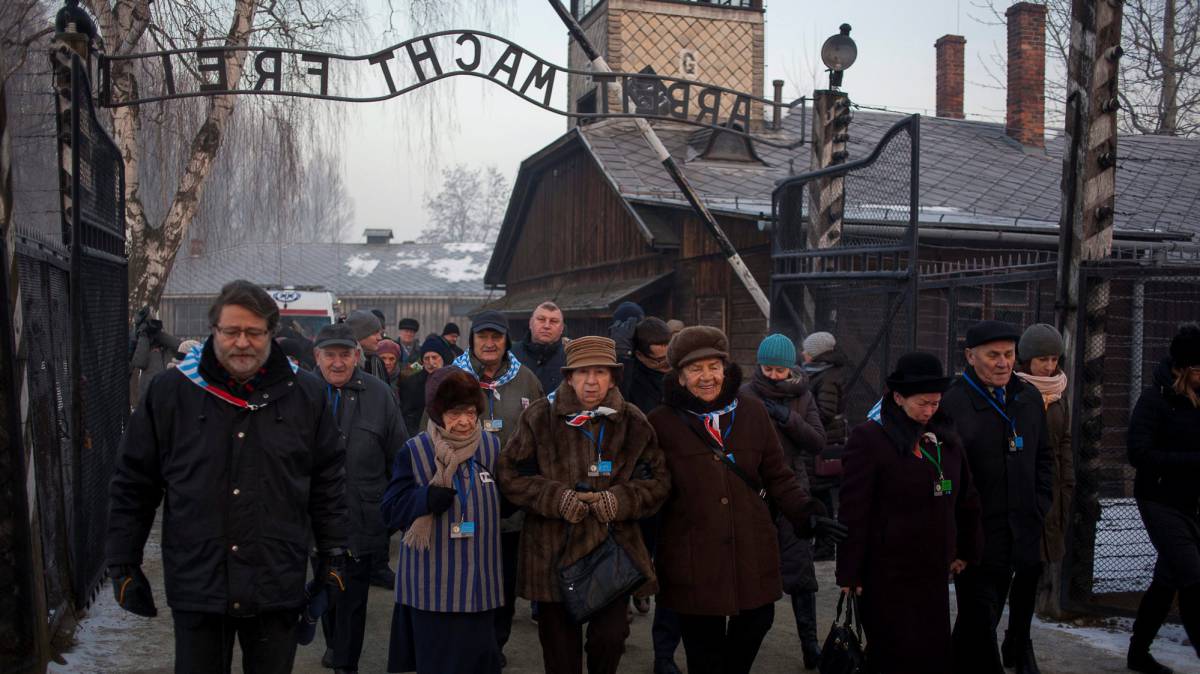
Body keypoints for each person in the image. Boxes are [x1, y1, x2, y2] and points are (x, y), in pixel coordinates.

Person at [106, 280, 349, 673]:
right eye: (231, 331)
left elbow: (328, 480)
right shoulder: (171, 393)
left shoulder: (306, 394)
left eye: (254, 332)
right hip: (199, 579)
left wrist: (333, 553)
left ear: (271, 333)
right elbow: (135, 482)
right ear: (213, 330)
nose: (242, 343)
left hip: (276, 578)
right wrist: (122, 560)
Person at [647, 326, 847, 674]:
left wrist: (806, 513)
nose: (707, 377)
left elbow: (778, 474)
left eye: (713, 366)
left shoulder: (751, 411)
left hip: (751, 547)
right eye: (695, 369)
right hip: (694, 553)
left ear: (725, 369)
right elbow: (650, 490)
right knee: (703, 648)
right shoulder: (661, 423)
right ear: (679, 377)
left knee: (757, 620)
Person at [496, 336, 670, 674]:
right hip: (552, 554)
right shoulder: (539, 416)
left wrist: (616, 501)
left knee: (610, 639)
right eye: (582, 372)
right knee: (560, 657)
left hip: (612, 552)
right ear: (568, 376)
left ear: (614, 377)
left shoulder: (633, 422)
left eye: (600, 372)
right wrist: (556, 498)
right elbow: (509, 474)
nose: (591, 381)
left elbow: (658, 483)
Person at [837, 352, 983, 674]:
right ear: (898, 397)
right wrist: (850, 572)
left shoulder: (945, 439)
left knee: (931, 653)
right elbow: (854, 510)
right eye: (922, 403)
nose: (929, 411)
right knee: (893, 654)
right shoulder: (870, 438)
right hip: (886, 573)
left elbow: (966, 497)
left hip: (932, 570)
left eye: (935, 403)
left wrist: (965, 549)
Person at [942, 320, 1052, 674]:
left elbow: (1044, 457)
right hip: (975, 535)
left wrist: (1040, 503)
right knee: (979, 616)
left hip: (1019, 527)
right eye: (993, 355)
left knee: (979, 621)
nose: (1003, 362)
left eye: (1009, 354)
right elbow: (944, 474)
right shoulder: (954, 404)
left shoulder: (1027, 397)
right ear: (970, 356)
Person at [382, 367, 505, 673]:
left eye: (470, 411)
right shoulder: (415, 451)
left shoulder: (491, 447)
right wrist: (424, 498)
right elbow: (390, 510)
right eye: (453, 412)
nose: (464, 422)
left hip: (480, 587)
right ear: (437, 414)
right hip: (432, 590)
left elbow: (506, 498)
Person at [311, 322, 409, 673]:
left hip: (363, 516)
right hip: (316, 519)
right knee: (326, 589)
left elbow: (398, 455)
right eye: (330, 355)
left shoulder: (380, 394)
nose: (338, 363)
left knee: (353, 599)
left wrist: (393, 511)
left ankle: (345, 663)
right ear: (317, 357)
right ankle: (335, 645)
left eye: (345, 355)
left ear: (357, 356)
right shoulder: (302, 394)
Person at [450, 309, 544, 665]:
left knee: (503, 579)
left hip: (511, 502)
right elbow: (429, 434)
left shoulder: (526, 380)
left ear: (507, 342)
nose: (489, 343)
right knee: (467, 576)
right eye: (482, 337)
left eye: (497, 337)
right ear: (472, 340)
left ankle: (496, 646)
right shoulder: (454, 377)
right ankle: (468, 643)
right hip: (465, 499)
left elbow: (542, 434)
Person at [739, 334, 827, 670]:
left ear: (792, 369)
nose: (773, 375)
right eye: (768, 368)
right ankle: (742, 648)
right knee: (754, 572)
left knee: (801, 571)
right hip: (754, 491)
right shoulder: (745, 394)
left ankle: (810, 644)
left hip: (793, 488)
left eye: (780, 370)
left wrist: (787, 417)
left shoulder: (803, 396)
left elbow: (818, 441)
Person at [1127, 323, 1200, 672]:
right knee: (1193, 576)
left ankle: (1137, 653)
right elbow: (1138, 453)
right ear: (1182, 368)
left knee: (1167, 578)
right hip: (1159, 500)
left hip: (1193, 503)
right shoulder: (1154, 400)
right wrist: (1191, 462)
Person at [1004, 323, 1075, 673]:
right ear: (1026, 360)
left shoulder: (1060, 391)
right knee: (1008, 572)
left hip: (1050, 494)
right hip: (1019, 495)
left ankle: (1019, 640)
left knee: (1032, 573)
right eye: (1042, 360)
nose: (1050, 367)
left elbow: (1063, 441)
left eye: (1054, 359)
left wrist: (1067, 485)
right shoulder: (1012, 393)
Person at [616, 316, 680, 672]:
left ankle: (664, 654)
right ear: (639, 355)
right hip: (637, 487)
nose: (664, 364)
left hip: (675, 485)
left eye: (667, 356)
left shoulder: (678, 375)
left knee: (670, 570)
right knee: (630, 559)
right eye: (656, 359)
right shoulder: (626, 380)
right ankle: (618, 620)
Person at [801, 331, 851, 561]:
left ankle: (824, 546)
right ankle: (822, 544)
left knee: (820, 495)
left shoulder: (828, 376)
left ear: (817, 353)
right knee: (819, 494)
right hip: (819, 440)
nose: (803, 354)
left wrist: (802, 420)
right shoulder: (821, 372)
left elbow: (826, 412)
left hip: (821, 443)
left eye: (807, 350)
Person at [400, 334, 454, 435]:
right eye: (426, 358)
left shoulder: (453, 378)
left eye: (434, 357)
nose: (431, 362)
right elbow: (408, 414)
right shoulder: (413, 380)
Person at [511, 301, 568, 394]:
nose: (547, 326)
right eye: (541, 319)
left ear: (561, 328)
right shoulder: (510, 355)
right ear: (530, 323)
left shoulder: (570, 359)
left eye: (554, 321)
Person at [347, 309, 388, 382]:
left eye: (379, 333)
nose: (379, 338)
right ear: (359, 335)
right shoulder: (346, 363)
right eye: (374, 333)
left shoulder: (376, 361)